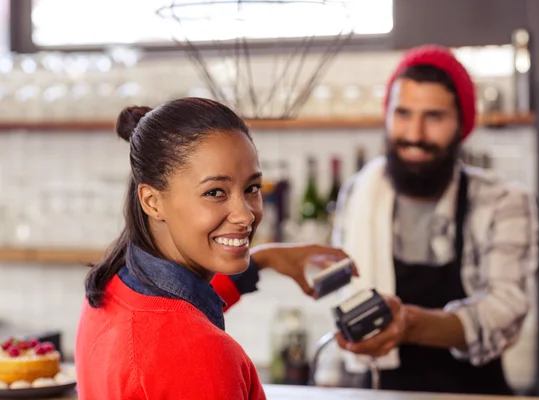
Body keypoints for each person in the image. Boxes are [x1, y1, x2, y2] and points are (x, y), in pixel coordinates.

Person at [75, 98, 349, 400]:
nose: (246, 215)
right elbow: (186, 339)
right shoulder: (203, 354)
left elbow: (178, 314)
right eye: (215, 192)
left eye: (252, 188)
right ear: (152, 201)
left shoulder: (110, 288)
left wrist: (265, 259)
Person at [331, 45, 539, 395]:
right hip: (381, 390)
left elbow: (505, 312)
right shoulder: (358, 193)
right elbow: (342, 292)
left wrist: (409, 325)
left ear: (462, 124)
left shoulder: (503, 201)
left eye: (434, 116)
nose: (414, 134)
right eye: (403, 113)